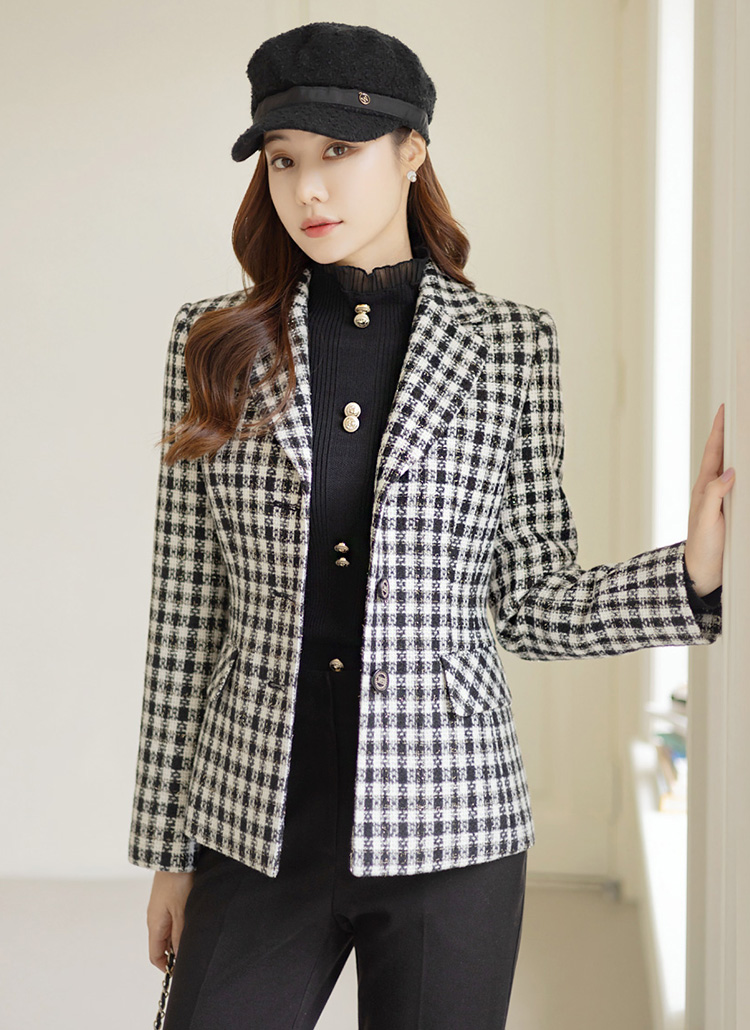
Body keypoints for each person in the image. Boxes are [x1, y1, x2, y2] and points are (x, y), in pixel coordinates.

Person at [128, 21, 733, 1030]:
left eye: (339, 150)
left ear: (412, 151)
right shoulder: (215, 343)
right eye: (283, 159)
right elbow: (186, 614)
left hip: (453, 831)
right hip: (252, 819)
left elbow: (531, 600)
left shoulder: (509, 346)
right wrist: (168, 850)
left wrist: (691, 577)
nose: (308, 189)